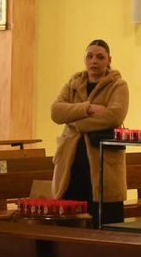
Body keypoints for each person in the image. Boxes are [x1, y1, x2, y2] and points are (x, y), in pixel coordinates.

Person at [49, 39, 130, 225]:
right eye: (89, 56)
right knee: (69, 223)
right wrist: (88, 108)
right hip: (71, 163)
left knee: (105, 225)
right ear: (84, 59)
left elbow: (114, 116)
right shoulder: (73, 83)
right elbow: (56, 112)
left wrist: (74, 120)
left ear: (109, 60)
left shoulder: (118, 85)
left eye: (100, 57)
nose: (94, 61)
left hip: (103, 165)